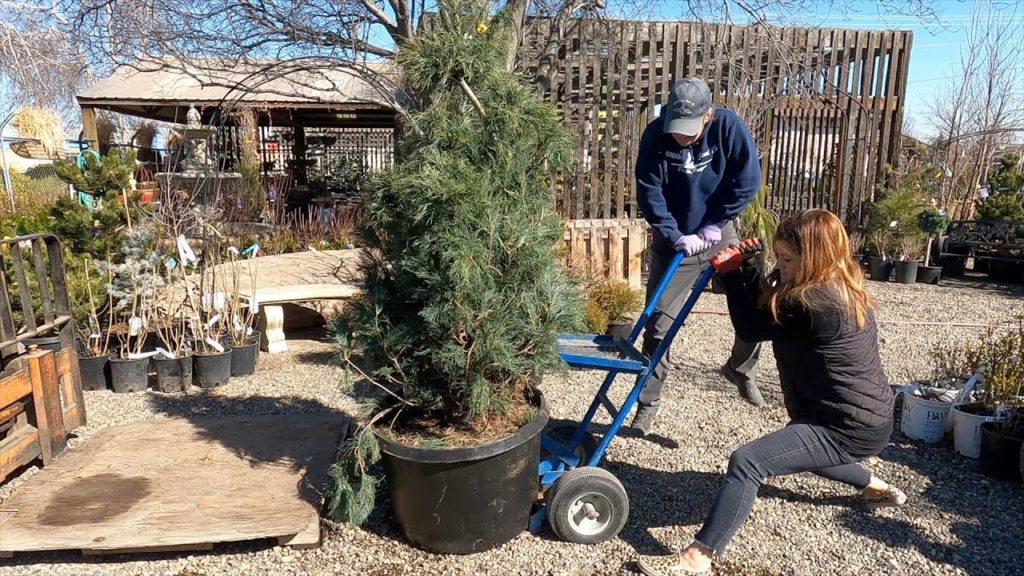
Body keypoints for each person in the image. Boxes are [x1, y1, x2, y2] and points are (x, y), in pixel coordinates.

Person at [636, 209, 905, 576]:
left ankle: (697, 558)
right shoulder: (842, 284)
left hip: (846, 426)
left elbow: (750, 326)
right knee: (805, 452)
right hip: (868, 420)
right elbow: (766, 306)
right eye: (778, 256)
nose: (782, 265)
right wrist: (749, 266)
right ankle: (875, 486)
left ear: (815, 258)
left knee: (749, 462)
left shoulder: (815, 303)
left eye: (789, 259)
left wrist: (732, 274)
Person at [632, 76, 764, 435]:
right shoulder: (657, 134)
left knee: (756, 305)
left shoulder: (729, 128)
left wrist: (716, 223)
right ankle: (647, 404)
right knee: (658, 325)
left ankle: (740, 367)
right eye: (677, 127)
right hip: (674, 242)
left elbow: (748, 181)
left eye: (690, 129)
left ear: (708, 115)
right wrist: (674, 235)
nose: (681, 136)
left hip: (718, 236)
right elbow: (649, 191)